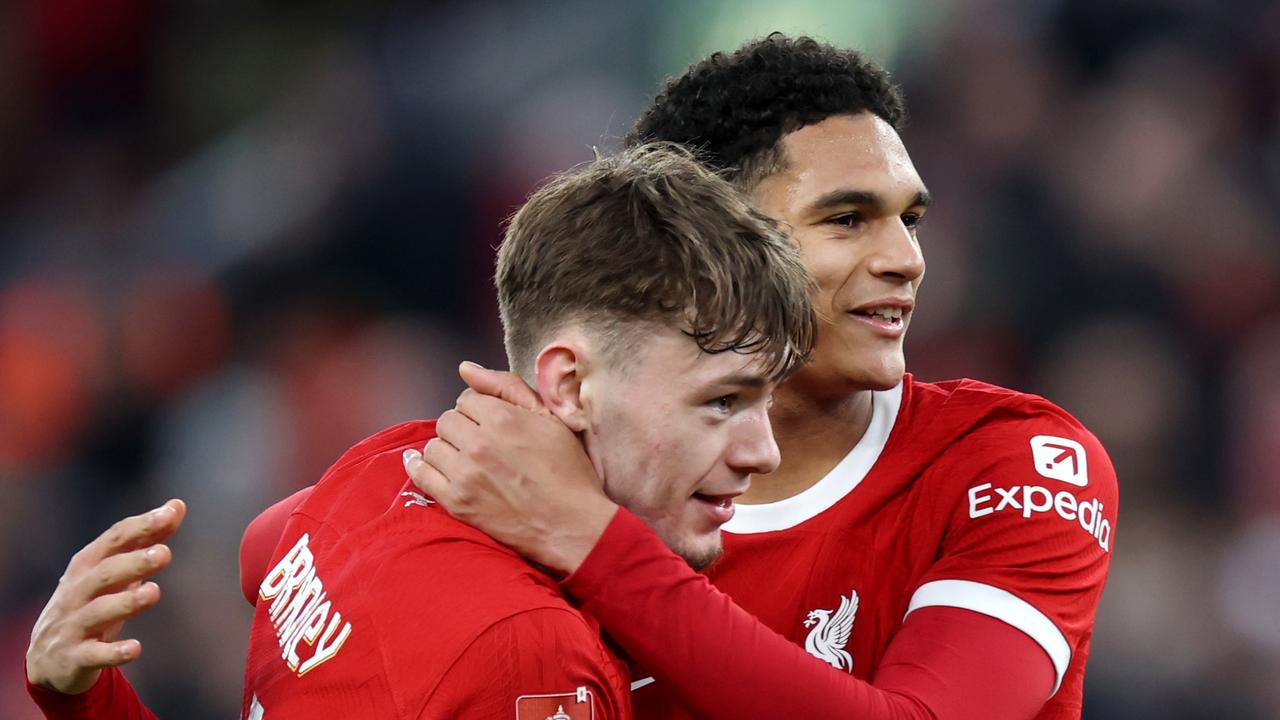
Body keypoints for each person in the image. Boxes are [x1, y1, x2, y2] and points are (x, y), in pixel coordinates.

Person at [402, 35, 1119, 720]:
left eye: (911, 219)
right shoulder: (541, 473)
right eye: (847, 219)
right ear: (718, 243)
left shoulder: (1014, 465)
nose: (906, 258)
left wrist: (591, 542)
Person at [24, 143, 817, 719]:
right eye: (721, 403)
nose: (763, 451)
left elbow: (263, 550)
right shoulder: (531, 655)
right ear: (570, 386)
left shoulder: (386, 464)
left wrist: (86, 702)